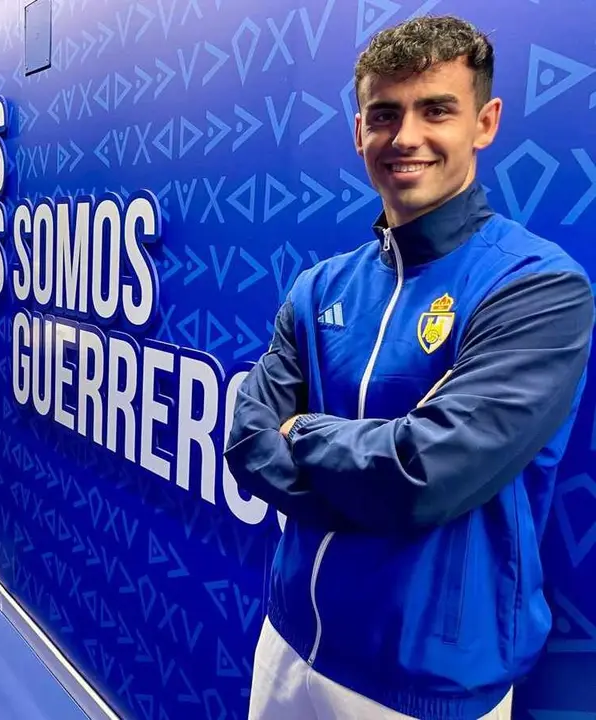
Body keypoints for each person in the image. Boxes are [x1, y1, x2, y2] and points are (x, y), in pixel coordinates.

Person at [224, 16, 593, 720]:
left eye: (437, 110)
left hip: (427, 682)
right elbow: (247, 442)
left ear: (484, 123)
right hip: (289, 641)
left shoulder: (537, 287)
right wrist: (377, 467)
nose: (406, 136)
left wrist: (302, 431)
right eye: (385, 114)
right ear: (358, 130)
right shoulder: (320, 287)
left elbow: (423, 477)